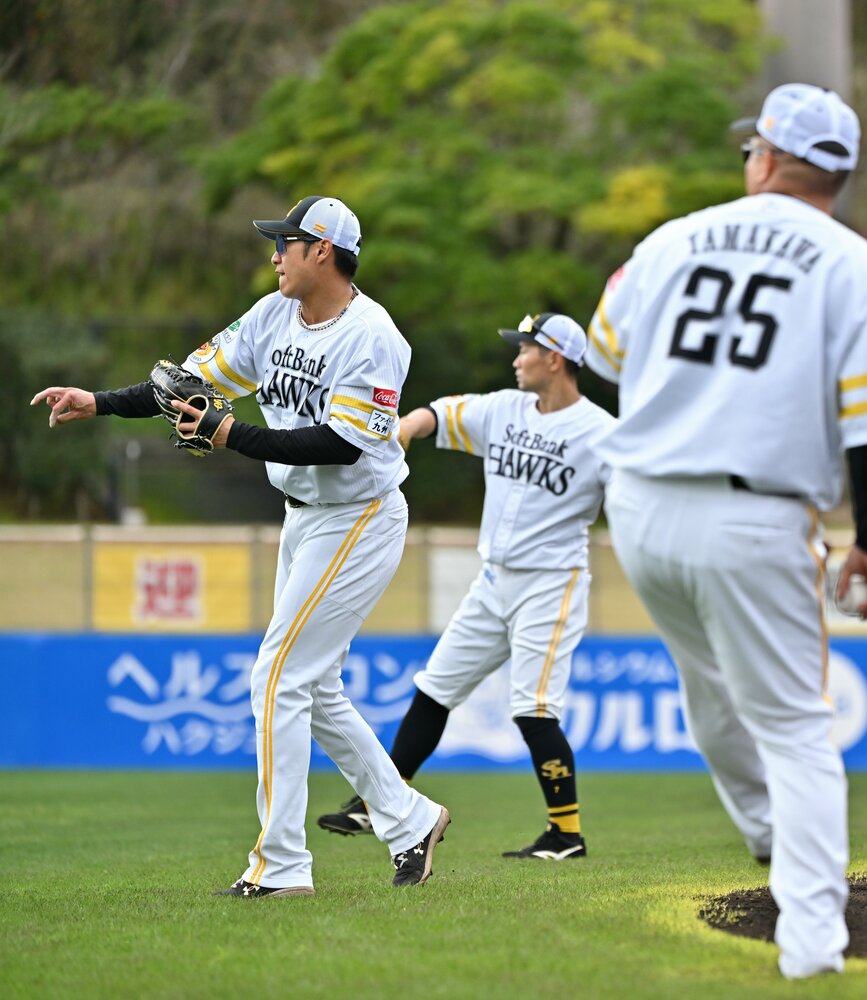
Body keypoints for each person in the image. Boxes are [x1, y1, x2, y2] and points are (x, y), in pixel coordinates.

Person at [583, 83, 867, 978]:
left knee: (710, 693)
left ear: (764, 158)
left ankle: (770, 834)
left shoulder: (666, 242)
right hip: (752, 512)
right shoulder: (866, 273)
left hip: (643, 504)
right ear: (837, 176)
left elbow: (605, 352)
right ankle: (811, 942)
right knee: (797, 728)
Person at [32, 196, 449, 896]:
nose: (274, 253)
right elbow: (188, 388)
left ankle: (281, 866)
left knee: (278, 677)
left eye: (285, 242)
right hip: (304, 516)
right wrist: (99, 401)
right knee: (311, 688)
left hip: (358, 516)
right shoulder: (273, 313)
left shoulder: (373, 336)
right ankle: (410, 819)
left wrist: (230, 436)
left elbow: (341, 446)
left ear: (322, 250)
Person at [316, 312, 615, 860]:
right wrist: (404, 429)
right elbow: (440, 413)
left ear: (555, 358)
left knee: (533, 708)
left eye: (525, 349)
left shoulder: (602, 434)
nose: (516, 357)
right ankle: (374, 801)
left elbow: (635, 497)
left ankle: (566, 833)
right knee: (434, 689)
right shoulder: (504, 409)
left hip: (552, 584)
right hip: (494, 579)